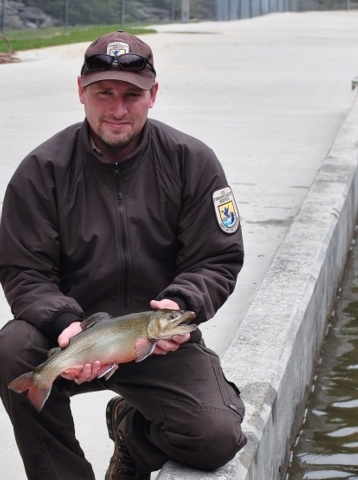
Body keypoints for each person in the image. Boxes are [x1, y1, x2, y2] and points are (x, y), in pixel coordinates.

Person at [0, 30, 247, 480]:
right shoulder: (42, 171)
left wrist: (181, 303)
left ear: (153, 94)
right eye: (103, 93)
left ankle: (132, 436)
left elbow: (217, 257)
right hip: (75, 337)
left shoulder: (192, 162)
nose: (117, 109)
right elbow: (24, 269)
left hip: (159, 340)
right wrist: (63, 325)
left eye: (131, 94)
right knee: (14, 349)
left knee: (215, 438)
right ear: (81, 91)